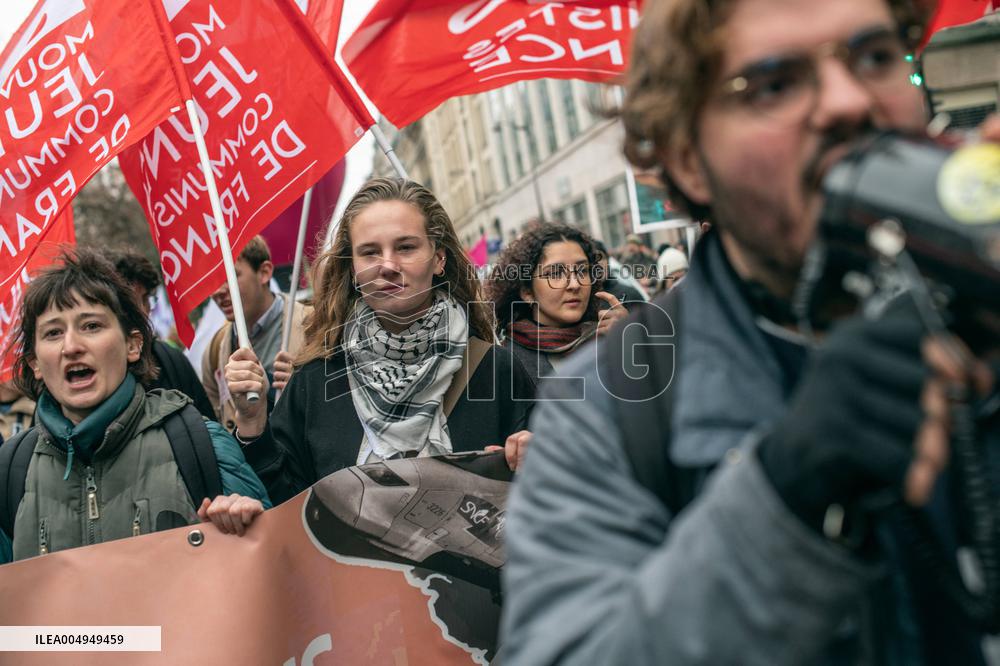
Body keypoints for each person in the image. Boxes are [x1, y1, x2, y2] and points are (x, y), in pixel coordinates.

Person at [501, 0, 1000, 664]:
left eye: (876, 57)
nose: (849, 101)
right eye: (773, 85)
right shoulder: (608, 404)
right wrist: (787, 493)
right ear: (687, 161)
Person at [223, 178, 536, 506]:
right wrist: (252, 422)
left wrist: (537, 461)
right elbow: (285, 506)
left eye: (406, 247)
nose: (388, 266)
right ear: (353, 268)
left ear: (439, 259)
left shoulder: (496, 369)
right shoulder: (315, 380)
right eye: (370, 252)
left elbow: (551, 499)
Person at [0, 250, 271, 565]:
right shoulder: (10, 471)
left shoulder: (200, 445)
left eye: (91, 326)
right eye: (53, 333)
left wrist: (246, 525)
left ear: (133, 344)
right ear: (34, 363)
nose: (71, 346)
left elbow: (268, 571)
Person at [487, 223, 628, 382]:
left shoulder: (612, 336)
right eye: (555, 273)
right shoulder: (506, 363)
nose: (575, 284)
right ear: (527, 292)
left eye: (582, 271)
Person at [201, 236, 309, 431]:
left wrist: (303, 387)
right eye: (210, 280)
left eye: (231, 276)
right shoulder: (214, 350)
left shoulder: (314, 325)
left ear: (264, 272)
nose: (217, 290)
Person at [110, 249, 216, 420]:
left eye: (145, 299)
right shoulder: (95, 374)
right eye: (131, 302)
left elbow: (210, 428)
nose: (144, 310)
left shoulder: (171, 359)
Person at [591, 238, 648, 309]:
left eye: (600, 258)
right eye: (591, 259)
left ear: (608, 260)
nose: (597, 264)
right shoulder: (581, 300)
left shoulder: (630, 295)